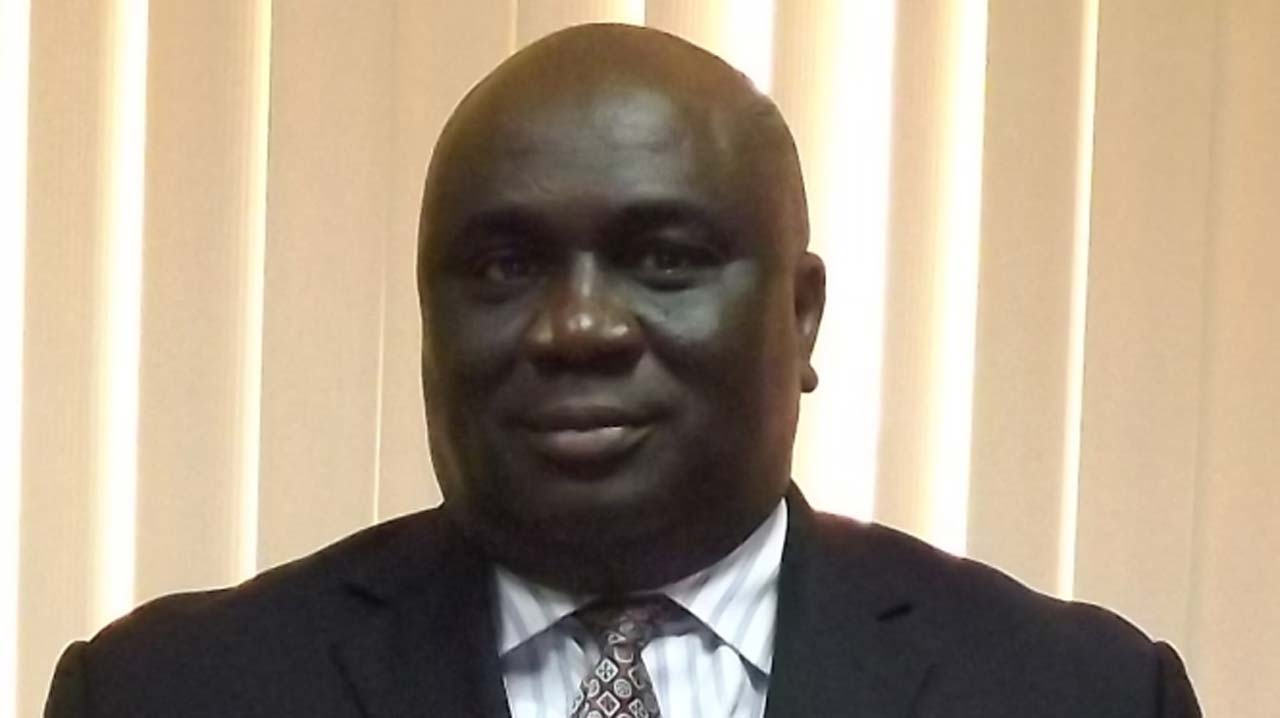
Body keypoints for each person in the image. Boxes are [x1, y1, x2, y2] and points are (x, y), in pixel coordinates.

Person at [45, 23, 1200, 717]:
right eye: (502, 265)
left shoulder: (1078, 696)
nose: (578, 327)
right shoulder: (168, 694)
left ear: (800, 317)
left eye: (664, 259)